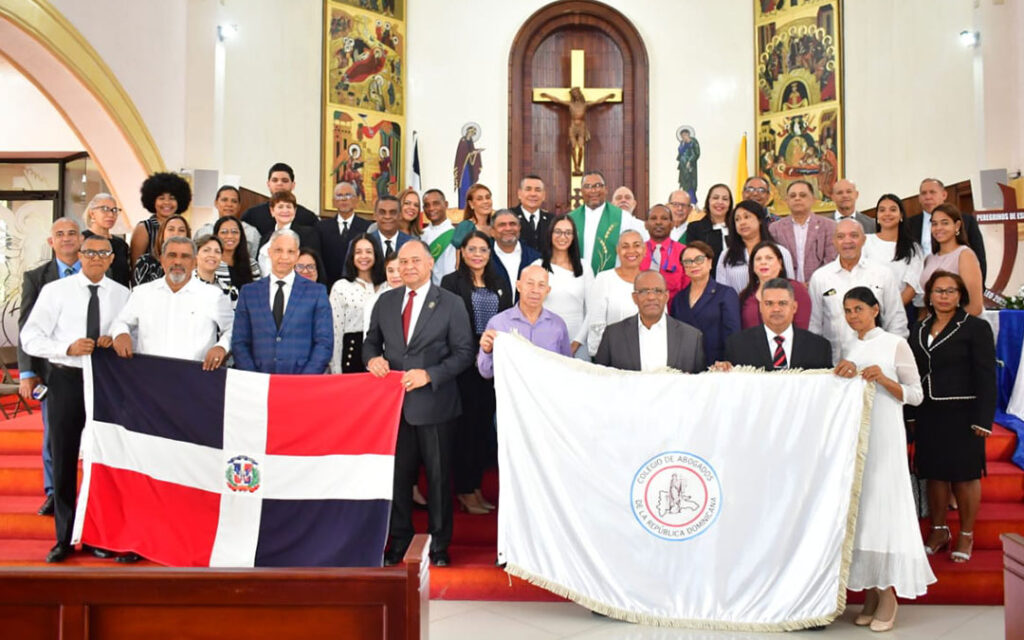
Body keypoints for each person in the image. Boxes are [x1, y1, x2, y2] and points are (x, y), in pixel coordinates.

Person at [364, 240, 475, 567]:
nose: (408, 266)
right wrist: (372, 360)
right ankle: (399, 541)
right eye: (402, 261)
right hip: (394, 407)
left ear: (430, 265)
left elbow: (464, 352)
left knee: (439, 479)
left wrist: (430, 374)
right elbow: (370, 341)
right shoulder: (386, 301)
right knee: (398, 478)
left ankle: (439, 545)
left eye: (415, 260)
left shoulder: (451, 303)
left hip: (436, 403)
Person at [21, 234, 130, 562]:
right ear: (80, 255)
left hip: (107, 384)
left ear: (111, 258)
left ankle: (101, 536)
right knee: (65, 458)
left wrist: (119, 338)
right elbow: (29, 337)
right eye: (90, 252)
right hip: (67, 379)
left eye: (103, 252)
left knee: (104, 460)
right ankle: (64, 538)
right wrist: (65, 347)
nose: (96, 257)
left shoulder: (123, 295)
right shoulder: (56, 292)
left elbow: (133, 334)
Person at [832, 287, 935, 631]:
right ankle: (872, 593)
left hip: (887, 435)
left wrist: (885, 379)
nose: (852, 316)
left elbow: (917, 395)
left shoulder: (894, 343)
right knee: (863, 513)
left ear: (875, 309)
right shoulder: (850, 346)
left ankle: (888, 592)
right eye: (847, 310)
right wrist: (843, 373)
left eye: (858, 308)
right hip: (858, 438)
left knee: (884, 511)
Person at [911, 271, 996, 564]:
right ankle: (938, 531)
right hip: (929, 412)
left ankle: (966, 534)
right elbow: (914, 374)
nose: (944, 296)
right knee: (934, 473)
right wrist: (911, 416)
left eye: (950, 291)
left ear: (961, 295)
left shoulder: (975, 328)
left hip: (964, 414)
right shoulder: (919, 328)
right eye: (938, 291)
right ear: (929, 295)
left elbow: (986, 376)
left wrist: (984, 419)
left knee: (965, 475)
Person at [441, 230, 512, 516]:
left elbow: (506, 319)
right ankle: (464, 490)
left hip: (492, 366)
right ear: (463, 252)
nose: (478, 254)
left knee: (484, 429)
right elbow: (448, 324)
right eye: (472, 249)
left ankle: (477, 487)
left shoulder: (500, 281)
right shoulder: (451, 282)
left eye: (483, 249)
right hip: (464, 365)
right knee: (466, 430)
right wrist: (472, 352)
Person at [17, 218, 83, 518]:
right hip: (52, 370)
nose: (67, 239)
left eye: (72, 233)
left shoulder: (99, 271)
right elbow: (26, 327)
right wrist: (28, 373)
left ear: (81, 239)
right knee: (53, 435)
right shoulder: (36, 277)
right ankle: (54, 493)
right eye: (60, 234)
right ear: (50, 242)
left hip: (93, 371)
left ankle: (88, 494)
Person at [111, 236, 232, 370]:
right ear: (162, 260)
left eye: (185, 256)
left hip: (196, 377)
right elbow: (121, 322)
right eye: (172, 255)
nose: (177, 261)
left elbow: (232, 329)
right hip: (148, 375)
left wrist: (221, 347)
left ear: (194, 262)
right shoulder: (142, 293)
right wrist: (121, 333)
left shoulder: (212, 296)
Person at [231, 230, 333, 374]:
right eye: (278, 250)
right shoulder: (249, 292)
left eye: (290, 251)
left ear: (297, 255)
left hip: (301, 383)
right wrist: (254, 378)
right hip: (259, 382)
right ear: (269, 252)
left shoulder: (316, 292)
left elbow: (324, 343)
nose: (284, 257)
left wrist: (305, 380)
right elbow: (240, 342)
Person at [809, 219, 907, 363]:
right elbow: (814, 325)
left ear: (864, 239)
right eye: (841, 237)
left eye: (854, 235)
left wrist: (891, 359)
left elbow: (896, 320)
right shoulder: (820, 277)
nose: (847, 241)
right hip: (835, 363)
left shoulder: (883, 274)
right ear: (834, 241)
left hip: (876, 363)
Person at [594, 271, 705, 373]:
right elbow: (599, 381)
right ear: (634, 298)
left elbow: (699, 387)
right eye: (643, 291)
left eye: (658, 291)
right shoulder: (613, 335)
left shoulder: (692, 338)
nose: (651, 297)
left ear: (666, 296)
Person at [477, 265, 572, 379]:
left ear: (548, 290)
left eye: (541, 285)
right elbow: (486, 373)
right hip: (511, 395)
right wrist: (486, 351)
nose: (535, 290)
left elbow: (568, 369)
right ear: (518, 286)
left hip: (547, 395)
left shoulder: (558, 325)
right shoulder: (498, 324)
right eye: (529, 283)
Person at [720, 278, 831, 370]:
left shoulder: (819, 347)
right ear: (760, 307)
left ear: (794, 307)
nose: (776, 309)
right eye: (769, 303)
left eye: (782, 303)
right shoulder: (737, 346)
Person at [670, 241, 741, 364]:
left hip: (717, 365)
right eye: (688, 262)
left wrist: (728, 362)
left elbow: (733, 334)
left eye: (699, 259)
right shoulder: (678, 299)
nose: (693, 265)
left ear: (709, 262)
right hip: (685, 366)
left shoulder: (725, 294)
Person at [536, 214, 591, 358]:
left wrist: (576, 343)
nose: (563, 237)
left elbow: (592, 309)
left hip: (578, 344)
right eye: (558, 231)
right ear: (550, 234)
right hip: (545, 343)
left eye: (568, 232)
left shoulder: (584, 267)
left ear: (573, 237)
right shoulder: (537, 266)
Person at [908, 178, 986, 280]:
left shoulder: (965, 220)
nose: (928, 197)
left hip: (956, 285)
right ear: (919, 198)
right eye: (923, 193)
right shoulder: (908, 224)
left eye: (932, 192)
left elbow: (979, 255)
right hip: (917, 286)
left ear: (944, 195)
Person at [569, 170, 645, 274]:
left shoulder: (623, 217)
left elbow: (638, 250)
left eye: (598, 185)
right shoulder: (570, 219)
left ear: (606, 189)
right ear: (581, 191)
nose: (593, 190)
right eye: (587, 186)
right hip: (577, 279)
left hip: (611, 282)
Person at [329, 234, 385, 373]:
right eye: (358, 252)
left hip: (383, 357)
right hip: (352, 353)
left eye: (368, 251)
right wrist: (336, 369)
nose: (363, 256)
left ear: (376, 254)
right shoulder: (341, 287)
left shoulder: (387, 286)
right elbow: (336, 331)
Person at [586, 230, 645, 357]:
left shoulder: (652, 280)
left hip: (645, 357)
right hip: (612, 357)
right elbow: (596, 323)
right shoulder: (604, 279)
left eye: (636, 245)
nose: (631, 251)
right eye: (625, 246)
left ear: (644, 250)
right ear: (617, 250)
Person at [862, 194, 924, 317]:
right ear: (877, 217)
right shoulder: (865, 242)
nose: (887, 214)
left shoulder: (913, 248)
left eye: (893, 209)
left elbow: (911, 287)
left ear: (901, 215)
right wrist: (871, 311)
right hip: (866, 312)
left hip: (902, 311)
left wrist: (890, 312)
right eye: (882, 210)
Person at [716, 199, 794, 294]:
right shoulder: (726, 255)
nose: (742, 222)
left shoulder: (781, 252)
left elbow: (790, 287)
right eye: (737, 219)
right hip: (737, 307)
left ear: (760, 220)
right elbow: (721, 291)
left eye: (747, 217)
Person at [919, 204, 984, 316]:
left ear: (957, 226)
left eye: (945, 223)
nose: (938, 228)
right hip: (934, 326)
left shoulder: (964, 255)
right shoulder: (929, 259)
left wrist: (948, 327)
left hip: (962, 327)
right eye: (934, 224)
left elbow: (975, 306)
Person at [769, 180, 837, 283]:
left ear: (813, 199)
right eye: (792, 196)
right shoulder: (775, 228)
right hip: (786, 288)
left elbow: (831, 259)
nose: (797, 198)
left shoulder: (829, 226)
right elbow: (773, 261)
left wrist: (813, 283)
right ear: (787, 201)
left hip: (820, 285)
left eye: (802, 195)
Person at [738, 241, 811, 330]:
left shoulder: (796, 289)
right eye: (758, 259)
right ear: (752, 267)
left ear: (780, 263)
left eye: (769, 258)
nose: (763, 262)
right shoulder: (745, 296)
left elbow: (802, 329)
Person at [130, 171, 191, 268]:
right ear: (152, 200)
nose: (167, 202)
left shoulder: (183, 227)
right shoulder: (144, 228)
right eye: (161, 198)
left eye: (172, 198)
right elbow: (135, 265)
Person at [241, 162, 319, 236]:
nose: (279, 183)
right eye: (275, 180)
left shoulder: (308, 218)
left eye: (285, 181)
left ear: (293, 185)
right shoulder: (252, 215)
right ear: (268, 184)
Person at [257, 191, 322, 275]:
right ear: (272, 211)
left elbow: (315, 266)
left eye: (288, 207)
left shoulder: (308, 234)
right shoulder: (265, 237)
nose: (285, 210)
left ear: (294, 211)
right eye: (280, 207)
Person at [320, 181, 371, 288]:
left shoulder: (367, 227)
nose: (343, 199)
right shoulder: (321, 227)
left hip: (358, 286)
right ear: (334, 202)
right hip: (328, 286)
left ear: (356, 200)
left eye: (348, 195)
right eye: (339, 196)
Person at [193, 185, 261, 258]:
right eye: (224, 200)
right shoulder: (204, 232)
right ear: (216, 203)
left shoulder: (251, 232)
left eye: (234, 201)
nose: (229, 204)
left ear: (239, 206)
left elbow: (254, 259)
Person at [641, 204, 688, 304]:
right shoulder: (637, 252)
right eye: (653, 218)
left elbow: (688, 289)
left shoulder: (684, 252)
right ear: (646, 224)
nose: (658, 222)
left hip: (674, 313)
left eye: (664, 218)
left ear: (672, 224)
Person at [684, 183, 732, 278]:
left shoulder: (737, 228)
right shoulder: (695, 228)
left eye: (725, 199)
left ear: (730, 204)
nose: (720, 202)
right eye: (715, 198)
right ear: (708, 201)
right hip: (706, 283)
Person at [82, 193, 130, 286]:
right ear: (92, 213)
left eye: (114, 210)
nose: (111, 214)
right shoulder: (81, 240)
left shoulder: (121, 244)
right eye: (105, 209)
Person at [490, 210, 540, 299]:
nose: (508, 228)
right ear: (492, 232)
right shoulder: (484, 259)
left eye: (512, 224)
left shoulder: (535, 258)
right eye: (502, 225)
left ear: (519, 228)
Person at [213, 216, 260, 307]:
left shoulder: (252, 264)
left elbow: (258, 295)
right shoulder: (211, 263)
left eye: (235, 232)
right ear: (216, 235)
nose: (230, 236)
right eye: (224, 232)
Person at [133, 214, 190, 286]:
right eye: (171, 229)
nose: (176, 234)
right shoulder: (146, 262)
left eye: (181, 230)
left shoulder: (193, 264)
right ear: (162, 234)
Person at [420, 188, 457, 284]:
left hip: (446, 289)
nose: (431, 208)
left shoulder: (454, 234)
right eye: (427, 205)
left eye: (436, 203)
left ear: (446, 205)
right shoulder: (421, 235)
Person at [363, 251, 403, 333]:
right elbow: (368, 338)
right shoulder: (374, 301)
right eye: (390, 271)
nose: (395, 275)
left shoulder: (418, 297)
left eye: (399, 270)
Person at [510, 174, 552, 251]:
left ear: (544, 195)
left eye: (538, 190)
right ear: (519, 193)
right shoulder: (508, 217)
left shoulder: (552, 220)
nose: (533, 194)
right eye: (528, 189)